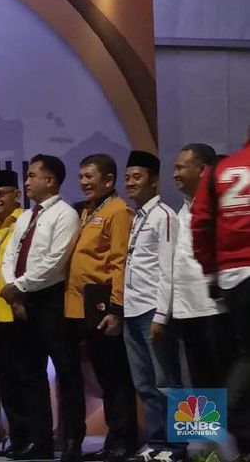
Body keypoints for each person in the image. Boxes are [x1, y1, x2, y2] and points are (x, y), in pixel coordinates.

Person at [1, 154, 81, 461]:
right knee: (30, 373)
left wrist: (19, 286)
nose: (27, 181)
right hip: (23, 300)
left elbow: (55, 261)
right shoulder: (26, 216)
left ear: (50, 180)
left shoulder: (65, 214)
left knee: (67, 372)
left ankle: (72, 440)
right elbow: (11, 255)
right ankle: (40, 442)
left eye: (32, 176)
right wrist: (14, 290)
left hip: (51, 299)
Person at [67, 154, 138, 462]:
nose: (84, 182)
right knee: (106, 377)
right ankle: (114, 440)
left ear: (108, 180)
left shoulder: (118, 210)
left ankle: (125, 441)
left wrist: (115, 308)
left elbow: (120, 262)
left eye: (90, 177)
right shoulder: (86, 210)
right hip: (83, 306)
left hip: (105, 303)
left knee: (117, 376)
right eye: (81, 176)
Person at [121, 151, 183, 460]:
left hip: (152, 311)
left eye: (137, 177)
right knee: (144, 384)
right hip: (131, 310)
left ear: (154, 181)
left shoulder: (164, 215)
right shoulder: (137, 217)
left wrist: (161, 314)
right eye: (127, 177)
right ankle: (157, 443)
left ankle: (178, 447)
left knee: (167, 382)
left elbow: (168, 269)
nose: (131, 183)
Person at [192, 135, 250, 461]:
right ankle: (207, 434)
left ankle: (214, 436)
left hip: (226, 285)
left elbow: (200, 228)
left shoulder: (221, 172)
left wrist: (213, 274)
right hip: (186, 307)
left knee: (241, 359)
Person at [171, 144, 233, 387]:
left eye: (180, 168)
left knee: (224, 380)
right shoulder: (183, 209)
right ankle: (205, 417)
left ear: (202, 170)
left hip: (215, 310)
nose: (175, 174)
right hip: (187, 310)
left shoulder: (220, 207)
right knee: (200, 384)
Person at [0, 169, 29, 457]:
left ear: (17, 194)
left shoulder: (26, 222)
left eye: (1, 194)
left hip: (19, 312)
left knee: (26, 381)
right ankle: (20, 439)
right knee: (8, 384)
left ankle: (180, 444)